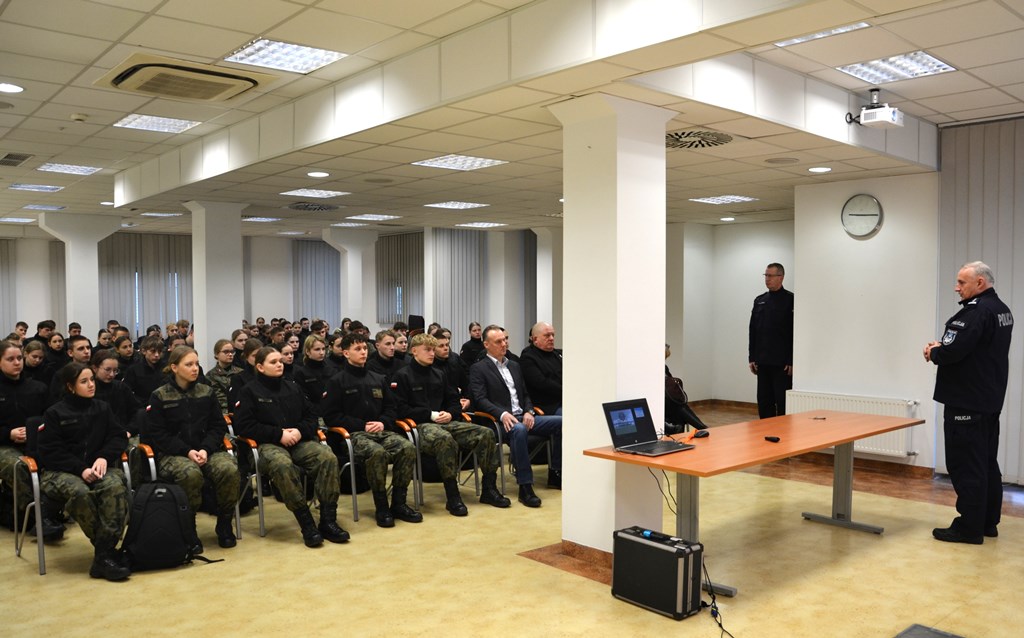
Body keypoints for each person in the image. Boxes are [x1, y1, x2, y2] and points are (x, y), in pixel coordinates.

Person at [924, 261, 1013, 544]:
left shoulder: (976, 312)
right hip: (988, 399)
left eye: (962, 282)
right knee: (985, 462)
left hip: (967, 401)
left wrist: (935, 351)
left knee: (966, 465)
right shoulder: (1001, 309)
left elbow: (953, 351)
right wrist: (945, 348)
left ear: (980, 283)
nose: (957, 287)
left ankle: (969, 527)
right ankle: (987, 522)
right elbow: (976, 348)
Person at [232, 347, 348, 546]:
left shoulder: (293, 387)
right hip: (267, 444)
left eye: (280, 361)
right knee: (282, 465)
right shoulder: (249, 391)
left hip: (297, 440)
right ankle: (307, 523)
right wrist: (279, 434)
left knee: (327, 457)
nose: (280, 364)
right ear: (260, 367)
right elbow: (244, 426)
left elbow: (311, 416)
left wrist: (299, 431)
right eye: (273, 362)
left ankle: (328, 520)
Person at [393, 334, 510, 514]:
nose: (432, 354)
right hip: (419, 425)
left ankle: (489, 488)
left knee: (486, 433)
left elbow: (454, 401)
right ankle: (453, 495)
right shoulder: (403, 375)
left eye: (433, 350)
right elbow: (401, 409)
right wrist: (431, 415)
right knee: (444, 439)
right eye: (427, 350)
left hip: (446, 421)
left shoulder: (439, 374)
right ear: (414, 351)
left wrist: (450, 413)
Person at [38, 363, 131, 581]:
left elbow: (118, 437)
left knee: (115, 487)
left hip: (97, 467)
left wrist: (104, 456)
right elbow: (51, 452)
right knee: (80, 492)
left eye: (92, 380)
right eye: (84, 381)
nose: (91, 385)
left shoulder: (102, 408)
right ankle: (106, 553)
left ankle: (103, 557)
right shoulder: (55, 413)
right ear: (70, 386)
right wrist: (80, 469)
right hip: (60, 471)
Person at [142, 346, 240, 550]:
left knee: (229, 469)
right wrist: (187, 451)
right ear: (174, 367)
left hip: (206, 450)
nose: (195, 368)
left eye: (197, 364)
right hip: (173, 454)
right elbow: (158, 434)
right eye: (189, 364)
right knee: (190, 474)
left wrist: (205, 449)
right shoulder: (160, 395)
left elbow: (217, 426)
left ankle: (224, 523)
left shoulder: (206, 391)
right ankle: (189, 529)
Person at [321, 333, 422, 528]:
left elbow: (391, 408)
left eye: (365, 348)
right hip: (353, 435)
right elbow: (331, 416)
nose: (363, 352)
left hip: (381, 431)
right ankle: (381, 506)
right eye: (357, 349)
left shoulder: (378, 378)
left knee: (407, 448)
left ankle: (399, 502)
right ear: (346, 353)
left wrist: (383, 423)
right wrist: (362, 425)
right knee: (377, 453)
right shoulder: (337, 381)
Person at [469, 325, 562, 507]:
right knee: (519, 429)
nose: (504, 344)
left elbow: (525, 395)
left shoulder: (514, 366)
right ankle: (525, 487)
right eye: (498, 341)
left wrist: (529, 411)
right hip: (498, 422)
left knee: (564, 422)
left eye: (505, 340)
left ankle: (557, 471)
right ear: (486, 345)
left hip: (522, 416)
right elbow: (480, 400)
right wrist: (502, 414)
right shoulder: (478, 368)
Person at [0, 340, 64, 539]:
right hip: (4, 445)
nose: (17, 362)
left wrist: (36, 433)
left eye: (19, 358)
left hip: (35, 442)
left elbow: (51, 418)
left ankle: (51, 511)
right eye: (10, 359)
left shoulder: (37, 387)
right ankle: (38, 519)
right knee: (21, 467)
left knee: (55, 461)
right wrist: (8, 434)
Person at [748, 262, 794, 418]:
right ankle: (765, 431)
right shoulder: (759, 300)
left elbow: (793, 332)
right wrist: (752, 357)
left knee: (782, 403)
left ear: (781, 277)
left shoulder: (791, 300)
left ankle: (783, 432)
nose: (767, 279)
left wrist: (791, 360)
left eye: (770, 276)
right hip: (762, 361)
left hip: (782, 364)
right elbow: (753, 330)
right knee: (764, 401)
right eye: (765, 275)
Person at [519, 322, 563, 415]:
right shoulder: (528, 357)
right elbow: (542, 383)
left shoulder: (558, 354)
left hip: (565, 399)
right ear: (535, 339)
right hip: (548, 406)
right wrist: (566, 390)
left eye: (553, 335)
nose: (551, 338)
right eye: (547, 335)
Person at [664, 343, 708, 432]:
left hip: (668, 401)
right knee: (680, 408)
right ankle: (702, 427)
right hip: (661, 401)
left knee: (679, 407)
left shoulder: (664, 367)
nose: (665, 359)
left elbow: (669, 383)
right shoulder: (653, 368)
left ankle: (701, 427)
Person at [292, 335, 333, 414]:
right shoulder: (301, 373)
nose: (321, 353)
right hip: (314, 413)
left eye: (323, 349)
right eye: (317, 349)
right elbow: (303, 400)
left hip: (332, 412)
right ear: (308, 351)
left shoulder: (331, 369)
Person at [123, 335, 167, 402]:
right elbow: (127, 392)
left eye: (159, 351)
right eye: (153, 351)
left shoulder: (166, 367)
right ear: (144, 351)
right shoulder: (133, 369)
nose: (157, 355)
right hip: (142, 404)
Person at [207, 339, 242, 414]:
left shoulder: (241, 372)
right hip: (223, 413)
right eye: (226, 352)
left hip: (241, 410)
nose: (230, 354)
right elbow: (219, 399)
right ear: (217, 354)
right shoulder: (211, 375)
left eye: (232, 351)